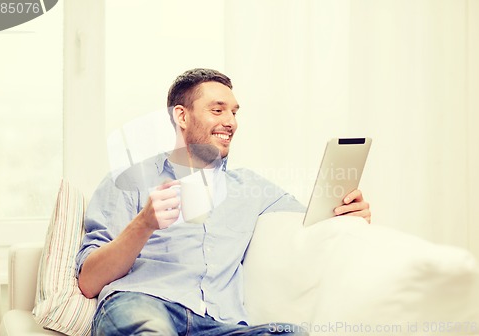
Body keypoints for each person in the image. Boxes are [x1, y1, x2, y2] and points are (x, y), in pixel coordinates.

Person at [76, 68, 371, 336]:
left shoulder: (250, 187)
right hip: (144, 304)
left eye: (234, 113)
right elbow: (89, 281)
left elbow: (315, 218)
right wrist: (144, 224)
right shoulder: (128, 180)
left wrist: (348, 212)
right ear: (181, 116)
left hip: (219, 325)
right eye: (218, 110)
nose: (230, 122)